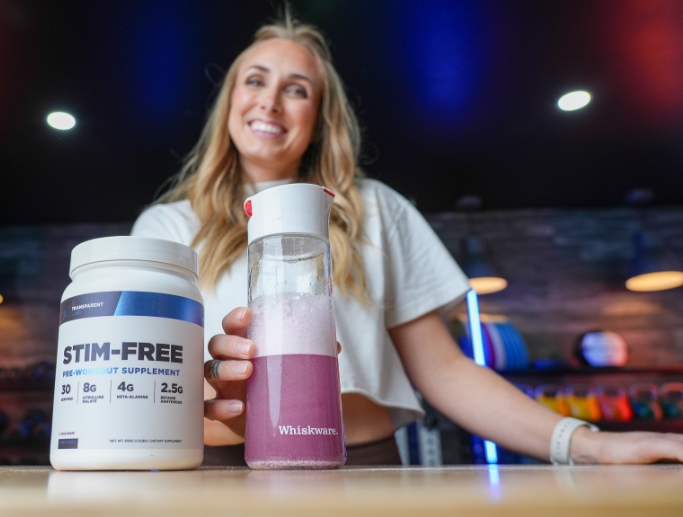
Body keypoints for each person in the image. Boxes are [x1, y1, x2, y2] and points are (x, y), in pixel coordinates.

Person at [131, 14, 683, 466]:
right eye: (254, 80)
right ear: (229, 101)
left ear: (319, 118)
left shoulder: (376, 210)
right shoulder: (167, 228)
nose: (270, 101)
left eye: (296, 89)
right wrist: (223, 399)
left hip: (365, 460)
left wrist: (586, 443)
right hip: (216, 470)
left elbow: (444, 370)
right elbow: (151, 382)